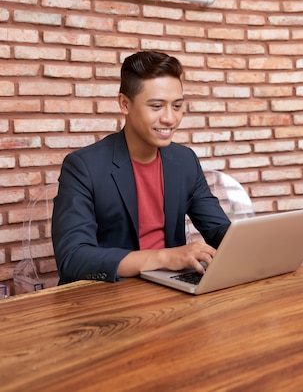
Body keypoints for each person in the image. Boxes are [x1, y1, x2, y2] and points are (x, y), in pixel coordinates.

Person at [52, 50, 231, 284]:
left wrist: (257, 243)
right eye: (157, 106)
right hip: (109, 294)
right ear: (125, 104)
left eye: (177, 106)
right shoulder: (84, 166)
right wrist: (165, 257)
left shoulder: (184, 161)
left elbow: (218, 230)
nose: (170, 118)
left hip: (171, 288)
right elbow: (73, 258)